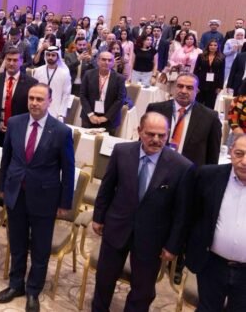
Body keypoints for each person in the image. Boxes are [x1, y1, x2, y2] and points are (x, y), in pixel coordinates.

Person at [91, 112, 194, 312]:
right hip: (117, 227)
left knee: (142, 291)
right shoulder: (122, 152)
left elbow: (182, 213)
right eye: (150, 134)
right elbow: (107, 187)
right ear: (139, 131)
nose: (156, 140)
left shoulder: (182, 167)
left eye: (161, 135)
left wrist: (173, 245)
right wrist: (98, 217)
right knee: (104, 279)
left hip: (152, 237)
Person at [0, 83, 74, 310]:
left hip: (45, 198)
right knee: (17, 243)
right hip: (16, 194)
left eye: (40, 99)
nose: (34, 103)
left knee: (40, 248)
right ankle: (16, 284)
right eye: (31, 98)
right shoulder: (14, 123)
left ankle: (33, 290)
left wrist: (65, 202)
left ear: (49, 101)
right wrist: (3, 186)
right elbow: (6, 157)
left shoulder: (61, 131)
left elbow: (68, 169)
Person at [185, 134, 246, 312]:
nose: (244, 161)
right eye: (239, 154)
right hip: (212, 264)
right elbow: (191, 213)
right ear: (230, 152)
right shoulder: (208, 175)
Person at [146, 73, 221, 166]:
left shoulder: (210, 117)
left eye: (189, 88)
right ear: (174, 88)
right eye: (180, 86)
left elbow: (213, 157)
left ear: (197, 91)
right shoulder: (155, 109)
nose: (183, 91)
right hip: (156, 167)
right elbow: (143, 143)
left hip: (190, 172)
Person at [0, 48, 38, 146]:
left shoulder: (31, 83)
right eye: (8, 60)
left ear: (21, 61)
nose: (11, 63)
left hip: (18, 131)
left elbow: (31, 111)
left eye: (15, 60)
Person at [80, 51, 127, 135]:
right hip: (89, 117)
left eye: (110, 60)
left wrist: (106, 117)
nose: (106, 62)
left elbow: (120, 100)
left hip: (109, 120)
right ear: (98, 61)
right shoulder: (88, 74)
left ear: (113, 62)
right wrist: (91, 115)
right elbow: (83, 95)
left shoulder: (119, 78)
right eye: (104, 59)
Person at [32, 46, 72, 121]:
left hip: (56, 112)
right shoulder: (38, 71)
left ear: (58, 56)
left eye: (53, 55)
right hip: (38, 109)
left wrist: (61, 114)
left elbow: (66, 95)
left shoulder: (65, 73)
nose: (50, 57)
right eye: (48, 55)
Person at [193, 39, 225, 108]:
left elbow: (221, 73)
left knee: (210, 105)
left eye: (215, 45)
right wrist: (195, 84)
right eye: (211, 45)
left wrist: (220, 86)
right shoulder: (201, 56)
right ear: (208, 46)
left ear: (218, 47)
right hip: (201, 82)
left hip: (214, 84)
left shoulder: (222, 57)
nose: (213, 47)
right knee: (198, 104)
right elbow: (196, 70)